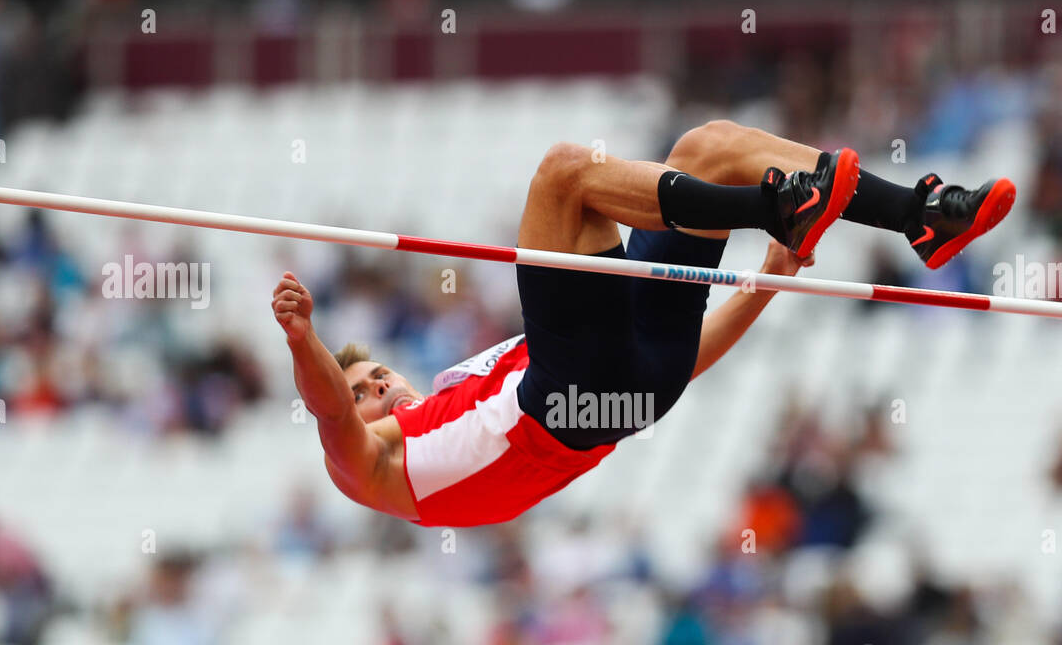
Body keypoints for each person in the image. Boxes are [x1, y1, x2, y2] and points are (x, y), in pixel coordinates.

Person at [272, 119, 1015, 527]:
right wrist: (305, 342)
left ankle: (916, 217)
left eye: (377, 374)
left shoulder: (457, 385)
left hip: (639, 378)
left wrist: (764, 283)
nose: (378, 390)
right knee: (564, 173)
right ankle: (778, 205)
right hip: (568, 404)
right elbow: (330, 408)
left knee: (709, 148)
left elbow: (675, 362)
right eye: (365, 390)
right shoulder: (369, 470)